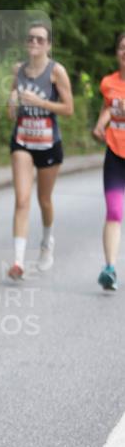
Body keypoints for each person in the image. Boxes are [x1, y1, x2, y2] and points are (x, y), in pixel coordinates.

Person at [7, 22, 74, 280]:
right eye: (31, 38)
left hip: (48, 143)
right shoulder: (18, 70)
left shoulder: (57, 71)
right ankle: (18, 261)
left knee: (44, 199)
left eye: (40, 39)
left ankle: (47, 242)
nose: (34, 42)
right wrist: (12, 102)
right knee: (22, 199)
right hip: (22, 140)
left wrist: (41, 102)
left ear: (48, 45)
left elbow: (68, 109)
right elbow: (11, 112)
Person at [93, 31, 125, 291]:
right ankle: (110, 269)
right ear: (117, 52)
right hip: (115, 153)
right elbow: (108, 106)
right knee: (114, 211)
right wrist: (100, 124)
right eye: (123, 47)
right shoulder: (108, 82)